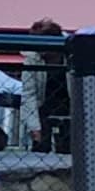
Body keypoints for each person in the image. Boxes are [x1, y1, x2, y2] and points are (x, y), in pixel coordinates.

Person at [22, 16, 73, 152]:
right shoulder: (31, 59)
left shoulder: (74, 56)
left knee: (69, 149)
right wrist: (33, 126)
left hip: (72, 108)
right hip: (43, 108)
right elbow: (28, 94)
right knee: (40, 148)